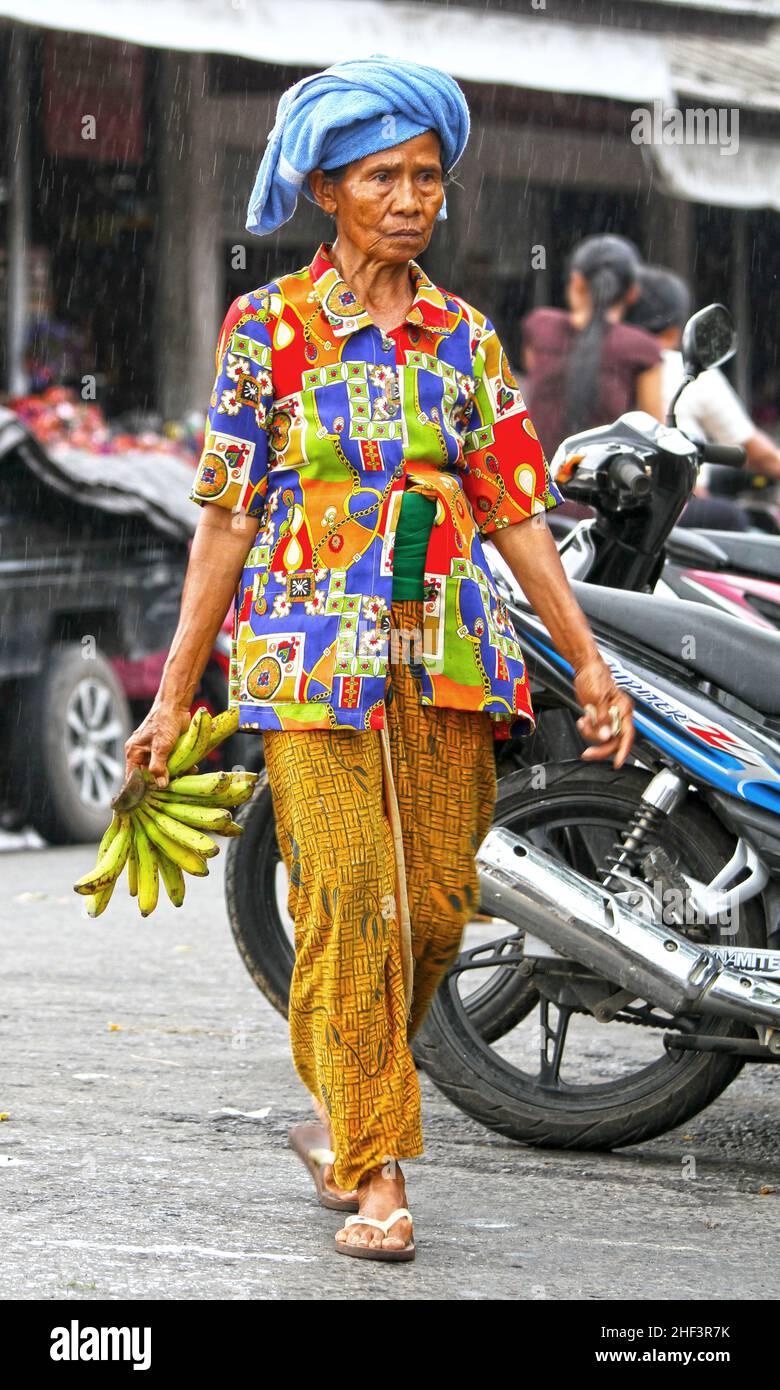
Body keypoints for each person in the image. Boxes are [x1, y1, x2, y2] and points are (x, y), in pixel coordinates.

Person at [123, 55, 635, 1265]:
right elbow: (228, 515)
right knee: (356, 899)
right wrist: (181, 690)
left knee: (439, 916)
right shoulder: (270, 330)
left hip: (448, 656)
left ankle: (344, 1110)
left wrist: (592, 664)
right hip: (309, 661)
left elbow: (515, 511)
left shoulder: (464, 338)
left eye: (426, 180)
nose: (410, 201)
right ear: (324, 190)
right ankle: (379, 1169)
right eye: (382, 179)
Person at [626, 263, 780, 529]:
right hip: (658, 513)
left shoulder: (596, 364)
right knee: (736, 520)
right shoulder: (679, 369)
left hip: (595, 503)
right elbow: (757, 454)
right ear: (675, 332)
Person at [521, 234, 664, 461]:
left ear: (577, 282)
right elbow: (652, 434)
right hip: (600, 489)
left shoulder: (540, 328)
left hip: (531, 485)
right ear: (632, 292)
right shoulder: (642, 348)